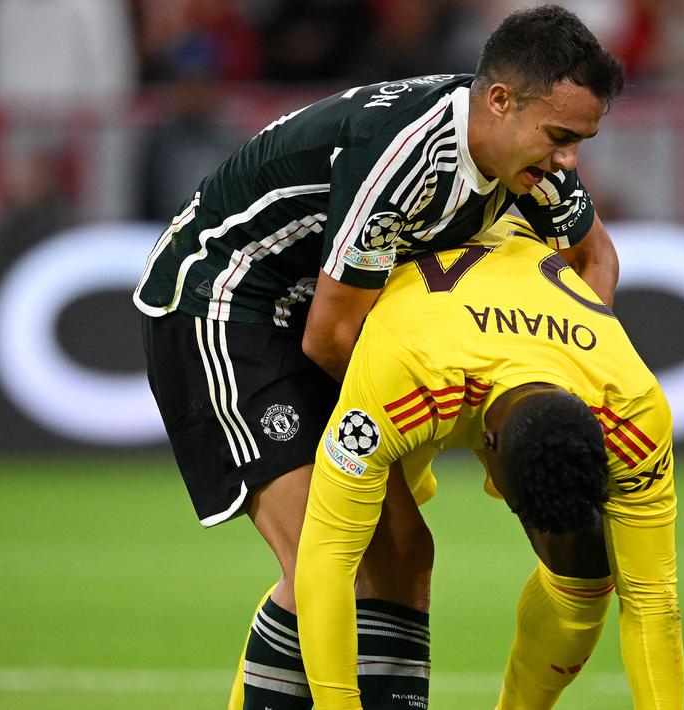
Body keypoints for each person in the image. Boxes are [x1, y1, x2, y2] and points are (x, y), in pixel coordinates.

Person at [133, 6, 625, 708]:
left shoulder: (527, 149)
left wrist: (567, 368)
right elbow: (330, 337)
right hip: (222, 303)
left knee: (401, 554)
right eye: (560, 137)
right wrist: (435, 418)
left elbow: (592, 254)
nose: (569, 160)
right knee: (323, 557)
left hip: (315, 307)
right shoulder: (407, 156)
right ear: (499, 101)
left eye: (581, 140)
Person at [295, 214, 684, 709]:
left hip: (484, 343)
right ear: (490, 445)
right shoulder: (403, 377)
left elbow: (653, 600)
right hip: (396, 329)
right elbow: (325, 558)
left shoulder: (634, 407)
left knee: (586, 563)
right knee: (364, 552)